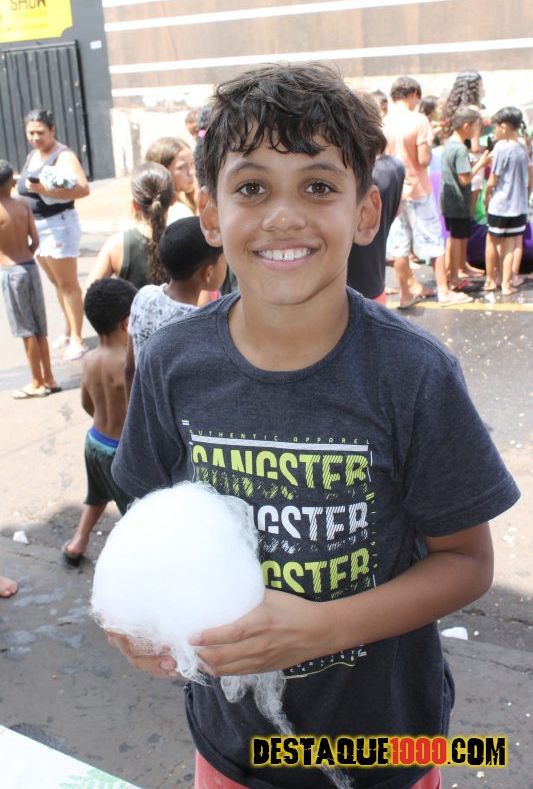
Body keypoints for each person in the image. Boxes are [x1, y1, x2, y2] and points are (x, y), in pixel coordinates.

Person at [106, 63, 519, 789]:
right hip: (234, 747)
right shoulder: (173, 361)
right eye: (251, 188)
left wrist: (326, 627)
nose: (284, 216)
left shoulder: (413, 374)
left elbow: (465, 562)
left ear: (366, 212)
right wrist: (135, 617)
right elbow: (146, 515)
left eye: (319, 186)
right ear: (210, 214)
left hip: (385, 747)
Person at [62, 278, 136, 566]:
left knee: (97, 496)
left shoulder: (90, 359)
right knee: (136, 513)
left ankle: (78, 541)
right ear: (127, 323)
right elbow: (137, 415)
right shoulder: (126, 365)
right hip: (119, 453)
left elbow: (86, 403)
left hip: (94, 442)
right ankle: (131, 564)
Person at [383, 76, 472, 308]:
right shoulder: (419, 120)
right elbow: (423, 160)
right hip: (418, 190)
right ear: (413, 94)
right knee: (434, 242)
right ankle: (444, 291)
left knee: (400, 246)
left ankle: (405, 295)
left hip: (394, 191)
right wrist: (429, 150)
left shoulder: (383, 122)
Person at [17, 109, 90, 361]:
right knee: (57, 282)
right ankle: (69, 330)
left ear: (52, 130)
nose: (35, 137)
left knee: (68, 284)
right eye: (31, 133)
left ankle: (78, 338)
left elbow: (83, 189)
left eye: (40, 132)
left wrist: (45, 189)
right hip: (36, 227)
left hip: (58, 225)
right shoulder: (33, 155)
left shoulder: (63, 155)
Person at [125, 217, 226, 396]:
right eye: (224, 260)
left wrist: (131, 412)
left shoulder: (143, 296)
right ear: (208, 272)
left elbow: (129, 368)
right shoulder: (202, 326)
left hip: (144, 406)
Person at [0, 160, 60, 399]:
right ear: (12, 182)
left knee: (26, 329)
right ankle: (50, 378)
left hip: (10, 270)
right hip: (30, 266)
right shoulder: (23, 204)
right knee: (40, 327)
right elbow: (35, 241)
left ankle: (36, 382)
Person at [85, 162, 175, 291]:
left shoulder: (117, 245)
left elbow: (88, 294)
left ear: (135, 204)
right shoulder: (183, 239)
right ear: (173, 199)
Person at [439, 107, 491, 290]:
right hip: (458, 201)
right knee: (457, 238)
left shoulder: (449, 143)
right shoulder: (460, 149)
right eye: (476, 127)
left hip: (449, 200)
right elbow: (464, 179)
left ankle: (455, 273)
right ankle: (455, 279)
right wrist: (481, 164)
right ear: (466, 126)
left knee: (455, 238)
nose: (478, 131)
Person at [483, 106, 530, 295]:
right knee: (510, 246)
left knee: (492, 241)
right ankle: (506, 284)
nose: (494, 131)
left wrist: (486, 198)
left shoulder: (501, 147)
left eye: (495, 127)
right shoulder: (523, 146)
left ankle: (489, 280)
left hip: (500, 205)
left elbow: (493, 180)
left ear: (504, 126)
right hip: (519, 206)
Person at [346, 153, 405, 303]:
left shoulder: (347, 170)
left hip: (348, 295)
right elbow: (398, 210)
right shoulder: (395, 168)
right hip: (374, 286)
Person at [145, 137, 197, 223]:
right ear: (162, 171)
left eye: (192, 163)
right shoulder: (178, 213)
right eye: (181, 167)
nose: (191, 172)